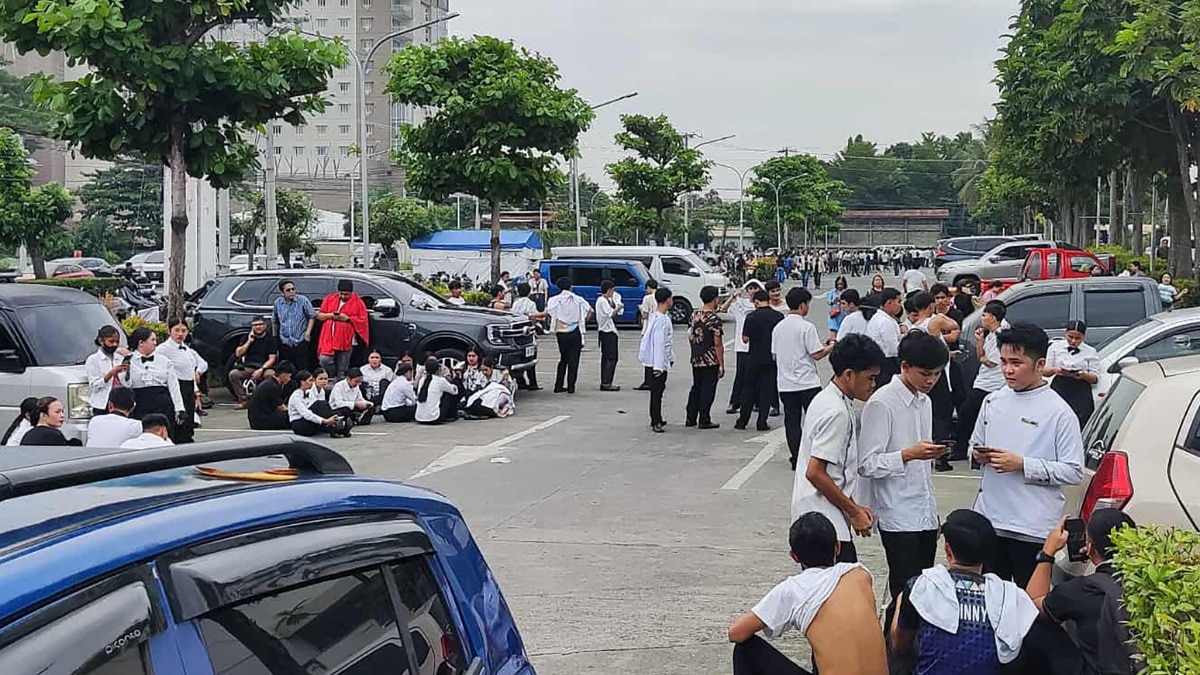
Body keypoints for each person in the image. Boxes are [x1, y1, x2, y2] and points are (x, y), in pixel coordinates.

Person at [971, 322, 1084, 587]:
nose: (1008, 370)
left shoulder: (1059, 412)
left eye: (1016, 362)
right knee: (991, 602)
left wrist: (1022, 464)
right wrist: (979, 455)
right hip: (991, 521)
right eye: (1003, 362)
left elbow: (1073, 470)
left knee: (1028, 607)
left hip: (1032, 527)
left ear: (1040, 364)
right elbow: (974, 446)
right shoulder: (992, 401)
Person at [728, 512, 888, 675]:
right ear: (838, 547)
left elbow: (736, 633)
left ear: (794, 557)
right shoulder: (860, 574)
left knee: (745, 649)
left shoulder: (793, 589)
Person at [890, 509, 1039, 675]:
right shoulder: (1011, 595)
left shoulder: (921, 586)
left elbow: (899, 645)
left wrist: (900, 602)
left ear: (948, 550)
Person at [858, 331, 950, 599]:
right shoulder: (882, 403)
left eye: (937, 373)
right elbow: (867, 464)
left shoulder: (925, 401)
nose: (931, 380)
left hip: (924, 512)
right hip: (897, 514)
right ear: (905, 366)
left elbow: (922, 467)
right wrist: (908, 454)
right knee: (904, 594)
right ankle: (894, 641)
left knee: (923, 592)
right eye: (925, 373)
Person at [791, 334, 884, 562]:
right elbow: (815, 472)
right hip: (823, 526)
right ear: (849, 374)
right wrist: (853, 513)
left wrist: (854, 506)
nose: (874, 385)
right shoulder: (837, 412)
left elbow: (835, 473)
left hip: (820, 518)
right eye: (870, 378)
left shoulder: (829, 399)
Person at [1021, 510, 1139, 675]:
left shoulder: (1083, 589)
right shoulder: (1154, 583)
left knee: (1035, 625)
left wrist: (1048, 552)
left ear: (1090, 547)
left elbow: (1031, 605)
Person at [774, 287, 836, 470]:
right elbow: (817, 354)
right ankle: (816, 457)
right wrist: (831, 346)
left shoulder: (779, 327)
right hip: (807, 382)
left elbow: (774, 353)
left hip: (785, 384)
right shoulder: (806, 327)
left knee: (792, 422)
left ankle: (796, 457)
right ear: (802, 305)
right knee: (816, 421)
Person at [956, 301, 1009, 460]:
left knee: (968, 412)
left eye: (984, 316)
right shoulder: (991, 334)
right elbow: (982, 357)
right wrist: (980, 341)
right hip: (984, 380)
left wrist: (984, 358)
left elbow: (991, 362)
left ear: (993, 318)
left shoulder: (1001, 335)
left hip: (992, 384)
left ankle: (963, 448)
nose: (982, 319)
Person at [736, 289, 785, 432]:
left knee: (749, 389)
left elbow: (745, 339)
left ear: (756, 302)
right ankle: (762, 421)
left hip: (754, 358)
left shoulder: (751, 317)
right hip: (771, 358)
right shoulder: (778, 316)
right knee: (767, 390)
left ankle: (742, 421)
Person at [126, 327, 185, 438]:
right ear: (141, 343)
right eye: (152, 340)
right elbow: (126, 385)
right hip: (140, 403)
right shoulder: (128, 360)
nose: (155, 343)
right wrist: (126, 370)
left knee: (164, 435)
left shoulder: (164, 361)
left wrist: (179, 408)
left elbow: (173, 386)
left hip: (162, 403)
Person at [1045, 320, 1102, 431]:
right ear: (1065, 333)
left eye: (1078, 338)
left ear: (1083, 337)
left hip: (1080, 389)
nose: (1073, 341)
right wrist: (1056, 370)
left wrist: (1083, 375)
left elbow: (1095, 378)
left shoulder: (1090, 351)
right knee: (1056, 418)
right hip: (1060, 386)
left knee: (1081, 421)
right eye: (1070, 337)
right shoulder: (1055, 348)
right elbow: (1045, 371)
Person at [156, 317, 204, 444]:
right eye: (176, 330)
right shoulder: (163, 349)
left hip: (188, 387)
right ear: (169, 331)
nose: (180, 334)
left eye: (183, 330)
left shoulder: (186, 349)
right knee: (178, 421)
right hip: (176, 386)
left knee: (189, 420)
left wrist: (196, 392)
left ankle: (187, 441)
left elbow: (192, 370)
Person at [723, 280, 765, 414]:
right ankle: (735, 402)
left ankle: (757, 402)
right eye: (750, 288)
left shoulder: (763, 306)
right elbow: (723, 309)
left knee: (758, 375)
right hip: (742, 346)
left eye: (755, 288)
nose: (753, 291)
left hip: (758, 345)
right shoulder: (741, 305)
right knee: (741, 375)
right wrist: (734, 296)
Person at [686, 285, 724, 430]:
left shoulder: (694, 315)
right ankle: (704, 418)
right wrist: (721, 364)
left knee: (696, 387)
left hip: (696, 356)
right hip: (710, 359)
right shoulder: (714, 319)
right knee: (708, 389)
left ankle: (690, 417)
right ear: (715, 299)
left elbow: (690, 335)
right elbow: (718, 343)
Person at [546, 277, 592, 394]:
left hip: (561, 331)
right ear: (570, 286)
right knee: (574, 359)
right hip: (574, 330)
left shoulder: (554, 300)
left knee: (563, 358)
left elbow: (549, 313)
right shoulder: (578, 299)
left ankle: (558, 385)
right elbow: (590, 311)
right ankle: (571, 386)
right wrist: (583, 321)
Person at [317, 279, 369, 379]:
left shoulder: (358, 303)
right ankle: (331, 376)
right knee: (324, 359)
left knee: (343, 367)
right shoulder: (329, 299)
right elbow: (320, 315)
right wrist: (331, 315)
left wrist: (348, 318)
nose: (343, 296)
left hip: (346, 341)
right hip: (329, 338)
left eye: (346, 294)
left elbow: (363, 319)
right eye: (341, 294)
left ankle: (340, 381)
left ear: (351, 293)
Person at [639, 287, 675, 433]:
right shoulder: (660, 320)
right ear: (667, 300)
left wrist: (670, 357)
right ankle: (655, 420)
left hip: (656, 360)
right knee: (657, 392)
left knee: (658, 391)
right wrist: (659, 367)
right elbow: (659, 343)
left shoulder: (659, 316)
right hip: (656, 362)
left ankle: (657, 417)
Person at [228, 317, 279, 409]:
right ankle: (243, 400)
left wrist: (261, 370)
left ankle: (266, 401)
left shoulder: (271, 339)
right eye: (255, 325)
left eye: (260, 324)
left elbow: (272, 359)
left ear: (265, 326)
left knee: (271, 376)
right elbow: (238, 353)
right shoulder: (246, 337)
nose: (258, 327)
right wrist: (249, 341)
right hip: (248, 367)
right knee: (233, 374)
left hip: (264, 368)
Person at [85, 325, 130, 417]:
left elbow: (128, 383)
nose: (114, 345)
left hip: (120, 404)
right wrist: (110, 374)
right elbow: (94, 386)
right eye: (111, 341)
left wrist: (128, 370)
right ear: (101, 341)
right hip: (102, 405)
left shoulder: (120, 357)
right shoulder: (93, 360)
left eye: (117, 342)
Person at [287, 369, 345, 437]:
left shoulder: (307, 392)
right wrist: (325, 421)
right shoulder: (296, 396)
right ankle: (334, 428)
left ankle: (339, 426)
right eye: (310, 380)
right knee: (321, 404)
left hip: (311, 421)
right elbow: (306, 414)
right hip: (300, 425)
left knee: (336, 411)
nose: (312, 383)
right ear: (302, 382)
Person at [273, 279, 316, 371]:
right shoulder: (278, 303)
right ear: (282, 293)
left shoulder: (303, 300)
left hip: (300, 340)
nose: (292, 292)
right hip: (285, 341)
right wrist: (275, 337)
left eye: (293, 289)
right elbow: (275, 320)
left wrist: (307, 333)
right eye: (288, 290)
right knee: (286, 369)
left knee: (302, 369)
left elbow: (312, 316)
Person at [866, 288, 904, 387]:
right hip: (887, 363)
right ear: (889, 303)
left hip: (879, 361)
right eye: (899, 301)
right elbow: (894, 349)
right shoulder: (885, 322)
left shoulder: (881, 318)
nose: (900, 305)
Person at [510, 282, 542, 391]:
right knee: (531, 359)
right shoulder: (531, 303)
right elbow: (535, 316)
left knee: (519, 359)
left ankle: (521, 381)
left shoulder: (515, 303)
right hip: (528, 332)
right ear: (529, 292)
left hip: (517, 332)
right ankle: (533, 383)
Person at [595, 280, 624, 391]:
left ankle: (606, 381)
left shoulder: (606, 300)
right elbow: (610, 313)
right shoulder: (602, 300)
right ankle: (606, 382)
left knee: (607, 358)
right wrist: (618, 307)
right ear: (609, 290)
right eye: (612, 290)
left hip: (608, 330)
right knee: (611, 358)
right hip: (607, 331)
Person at [247, 363, 294, 430]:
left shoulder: (268, 383)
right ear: (283, 375)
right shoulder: (273, 387)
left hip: (256, 419)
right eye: (289, 376)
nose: (289, 379)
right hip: (262, 421)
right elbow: (281, 407)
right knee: (292, 415)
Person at [415, 357, 460, 424]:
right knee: (449, 394)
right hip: (434, 418)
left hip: (419, 417)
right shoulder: (440, 380)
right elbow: (454, 391)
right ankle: (451, 415)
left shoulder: (422, 380)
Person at [635, 279, 661, 391]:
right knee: (656, 355)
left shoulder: (648, 298)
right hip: (658, 328)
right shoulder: (660, 296)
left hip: (648, 328)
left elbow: (645, 315)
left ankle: (647, 381)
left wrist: (641, 309)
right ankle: (656, 378)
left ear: (649, 287)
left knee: (647, 355)